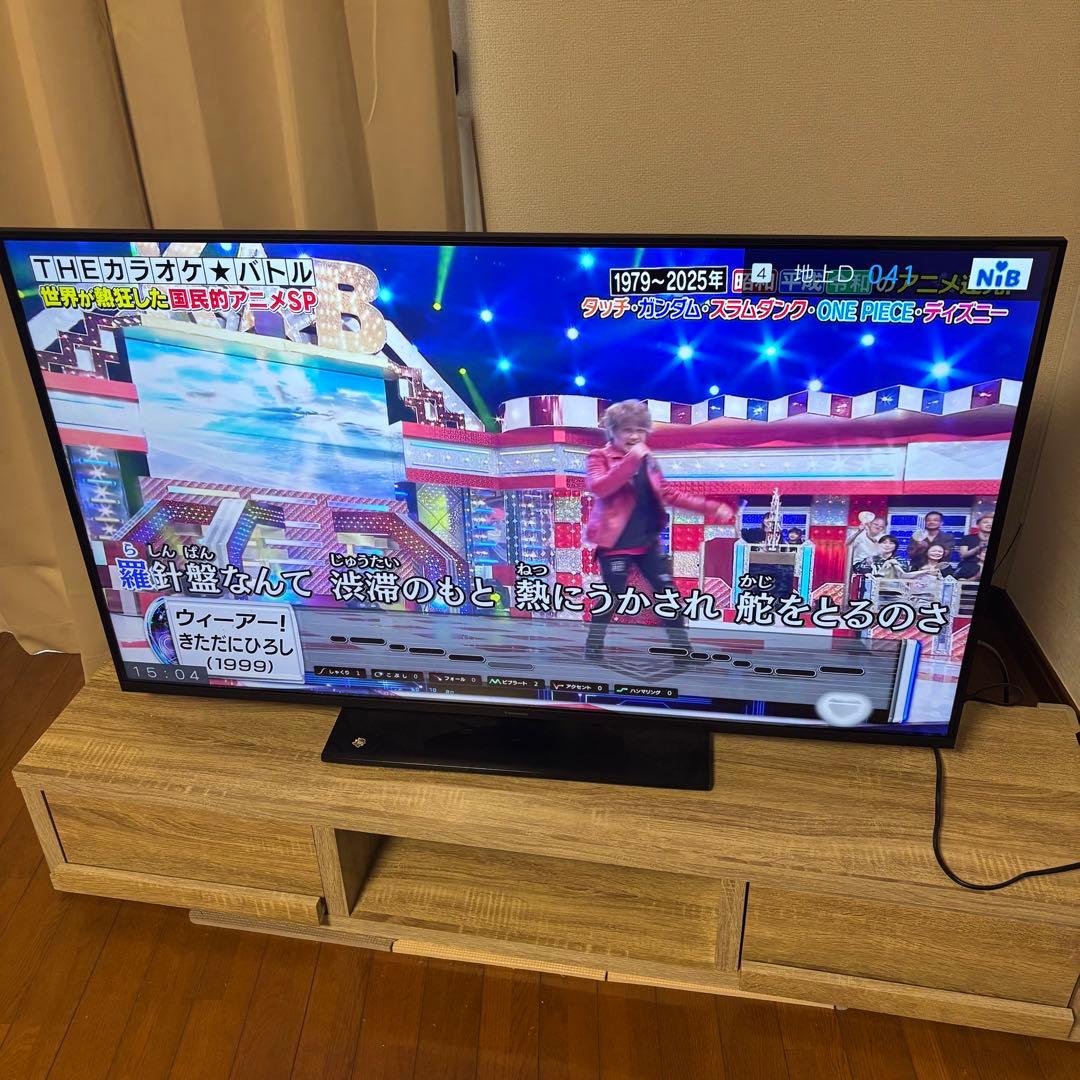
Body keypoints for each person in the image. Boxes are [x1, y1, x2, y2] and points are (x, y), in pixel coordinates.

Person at [584, 400, 725, 662]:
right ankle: (593, 647)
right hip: (614, 543)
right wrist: (632, 460)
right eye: (627, 429)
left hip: (646, 542)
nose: (634, 436)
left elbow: (668, 493)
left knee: (668, 594)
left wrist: (711, 507)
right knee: (613, 596)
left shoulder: (647, 461)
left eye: (640, 430)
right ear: (613, 431)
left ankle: (682, 652)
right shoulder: (598, 457)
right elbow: (600, 487)